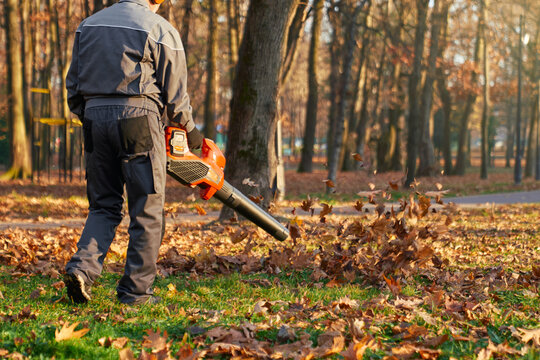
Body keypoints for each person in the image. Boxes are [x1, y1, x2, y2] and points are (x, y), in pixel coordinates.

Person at [64, 0, 203, 305]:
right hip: (138, 117)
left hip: (93, 118)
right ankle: (135, 292)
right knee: (147, 207)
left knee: (103, 205)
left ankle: (81, 270)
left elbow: (72, 86)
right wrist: (190, 131)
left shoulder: (87, 26)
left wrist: (89, 115)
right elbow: (176, 97)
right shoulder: (160, 29)